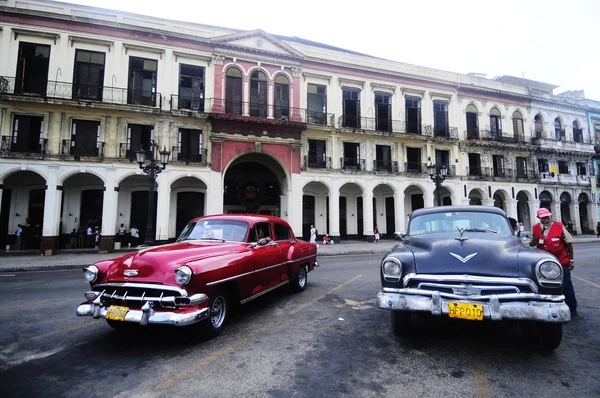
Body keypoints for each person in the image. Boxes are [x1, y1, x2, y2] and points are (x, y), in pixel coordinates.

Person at [529, 208, 578, 316]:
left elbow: (569, 244)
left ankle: (572, 308)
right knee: (545, 286)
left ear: (551, 217)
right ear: (539, 218)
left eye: (548, 217)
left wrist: (571, 260)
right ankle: (549, 306)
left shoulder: (559, 226)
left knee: (566, 285)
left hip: (561, 261)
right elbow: (534, 241)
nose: (546, 220)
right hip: (544, 264)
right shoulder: (535, 228)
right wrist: (528, 244)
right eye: (543, 218)